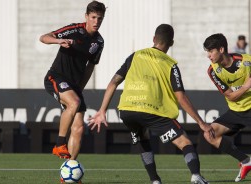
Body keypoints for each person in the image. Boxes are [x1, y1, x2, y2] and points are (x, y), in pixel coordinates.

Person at [88, 24, 215, 184]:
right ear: (171, 43)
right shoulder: (170, 64)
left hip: (127, 111)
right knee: (184, 142)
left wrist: (102, 110)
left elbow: (114, 82)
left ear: (154, 39)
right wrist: (201, 123)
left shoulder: (135, 56)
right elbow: (181, 97)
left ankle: (155, 180)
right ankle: (196, 176)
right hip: (153, 111)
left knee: (142, 138)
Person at [40, 0, 106, 163]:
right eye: (93, 17)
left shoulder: (99, 42)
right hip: (55, 77)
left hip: (74, 85)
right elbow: (44, 37)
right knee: (74, 103)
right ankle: (59, 144)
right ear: (86, 17)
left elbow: (90, 67)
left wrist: (79, 88)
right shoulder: (74, 30)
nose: (96, 21)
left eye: (100, 18)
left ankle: (68, 171)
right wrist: (58, 41)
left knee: (78, 128)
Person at [203, 33, 251, 182]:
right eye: (207, 52)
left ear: (221, 49)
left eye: (211, 51)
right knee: (209, 134)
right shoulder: (213, 71)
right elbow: (230, 96)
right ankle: (246, 161)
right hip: (235, 111)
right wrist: (247, 85)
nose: (208, 56)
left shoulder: (246, 61)